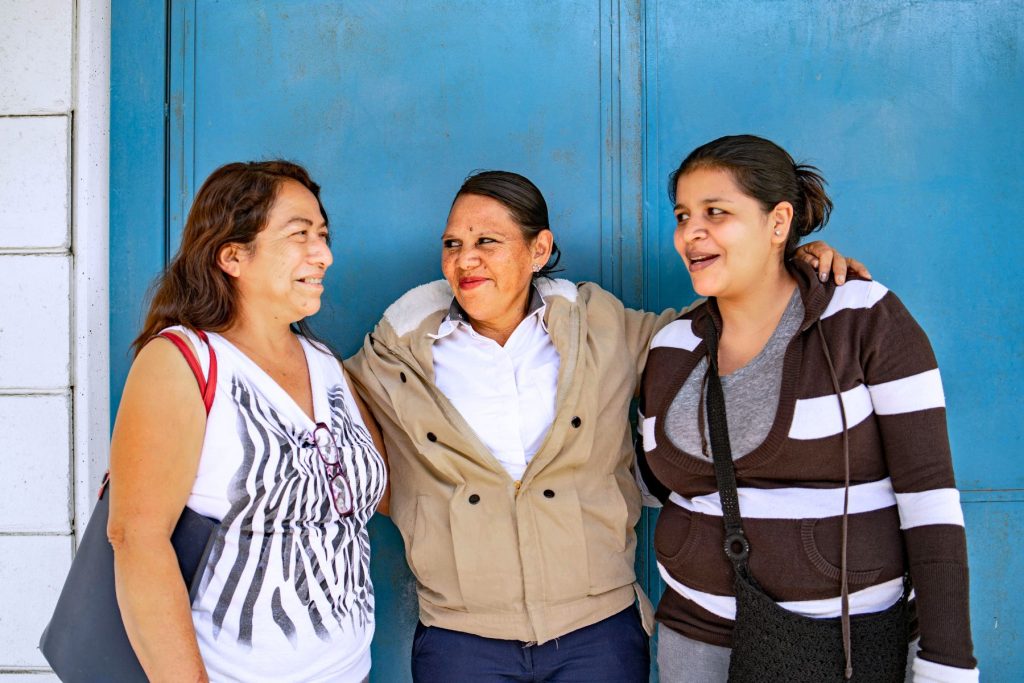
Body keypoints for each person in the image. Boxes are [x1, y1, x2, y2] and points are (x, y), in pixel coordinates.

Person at [345, 169, 860, 682]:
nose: (465, 260)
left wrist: (786, 266)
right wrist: (412, 504)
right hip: (460, 639)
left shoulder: (602, 329)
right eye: (453, 244)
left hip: (597, 633)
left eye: (487, 242)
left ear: (538, 250)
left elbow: (718, 335)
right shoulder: (398, 352)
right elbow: (335, 422)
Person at [637, 135, 977, 681]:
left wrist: (948, 660)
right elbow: (649, 479)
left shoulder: (864, 318)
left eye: (715, 213)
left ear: (778, 223)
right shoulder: (672, 345)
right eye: (682, 215)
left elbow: (929, 496)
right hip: (694, 636)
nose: (689, 233)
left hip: (836, 642)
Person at [107, 161, 388, 682]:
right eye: (299, 235)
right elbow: (136, 539)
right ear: (233, 255)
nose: (323, 255)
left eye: (323, 236)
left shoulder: (324, 364)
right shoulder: (183, 361)